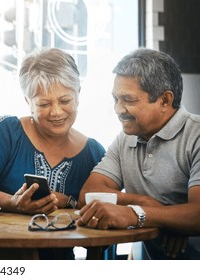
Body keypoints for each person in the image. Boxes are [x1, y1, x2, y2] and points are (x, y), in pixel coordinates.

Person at [0, 48, 106, 259]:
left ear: (78, 94)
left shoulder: (94, 153)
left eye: (65, 101)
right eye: (44, 104)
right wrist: (13, 203)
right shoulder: (7, 131)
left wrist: (70, 202)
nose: (56, 112)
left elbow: (101, 220)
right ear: (28, 102)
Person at [77, 48, 200, 260]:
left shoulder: (196, 135)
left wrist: (136, 214)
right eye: (115, 99)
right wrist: (150, 207)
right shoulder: (126, 138)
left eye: (128, 99)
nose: (118, 109)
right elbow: (88, 194)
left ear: (164, 100)